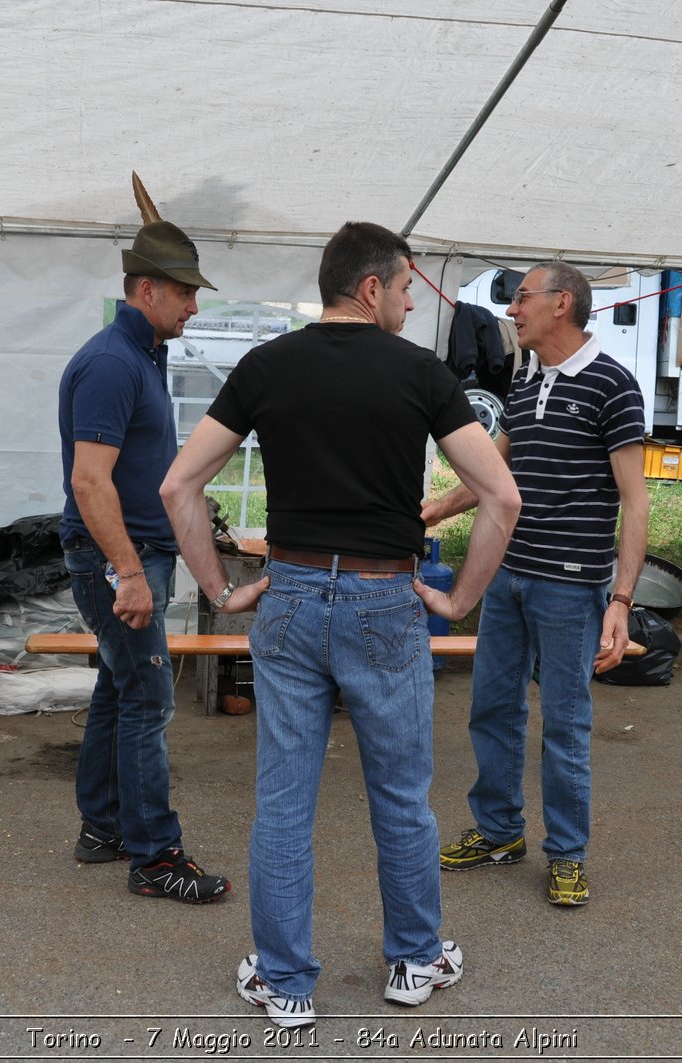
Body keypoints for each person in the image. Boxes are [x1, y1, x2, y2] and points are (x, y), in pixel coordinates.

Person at [161, 222, 520, 1028]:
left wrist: (220, 587)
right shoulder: (421, 374)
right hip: (383, 600)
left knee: (284, 799)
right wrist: (460, 598)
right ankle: (414, 959)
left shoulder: (264, 366)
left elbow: (178, 486)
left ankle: (286, 983)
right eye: (402, 291)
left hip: (287, 596)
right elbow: (502, 495)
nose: (405, 305)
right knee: (400, 793)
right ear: (370, 287)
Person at [425, 262, 649, 909]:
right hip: (508, 576)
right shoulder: (524, 380)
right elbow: (492, 475)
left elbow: (635, 504)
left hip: (572, 587)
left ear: (563, 303)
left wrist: (622, 601)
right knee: (492, 706)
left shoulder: (614, 386)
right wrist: (432, 511)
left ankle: (568, 854)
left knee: (566, 725)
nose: (512, 309)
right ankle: (498, 831)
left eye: (521, 297)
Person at [56, 216, 230, 903]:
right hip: (114, 559)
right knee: (151, 698)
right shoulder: (109, 363)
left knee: (121, 688)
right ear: (148, 289)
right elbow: (88, 481)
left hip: (132, 552)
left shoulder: (141, 355)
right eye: (185, 293)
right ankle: (156, 855)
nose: (194, 305)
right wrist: (128, 571)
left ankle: (102, 827)